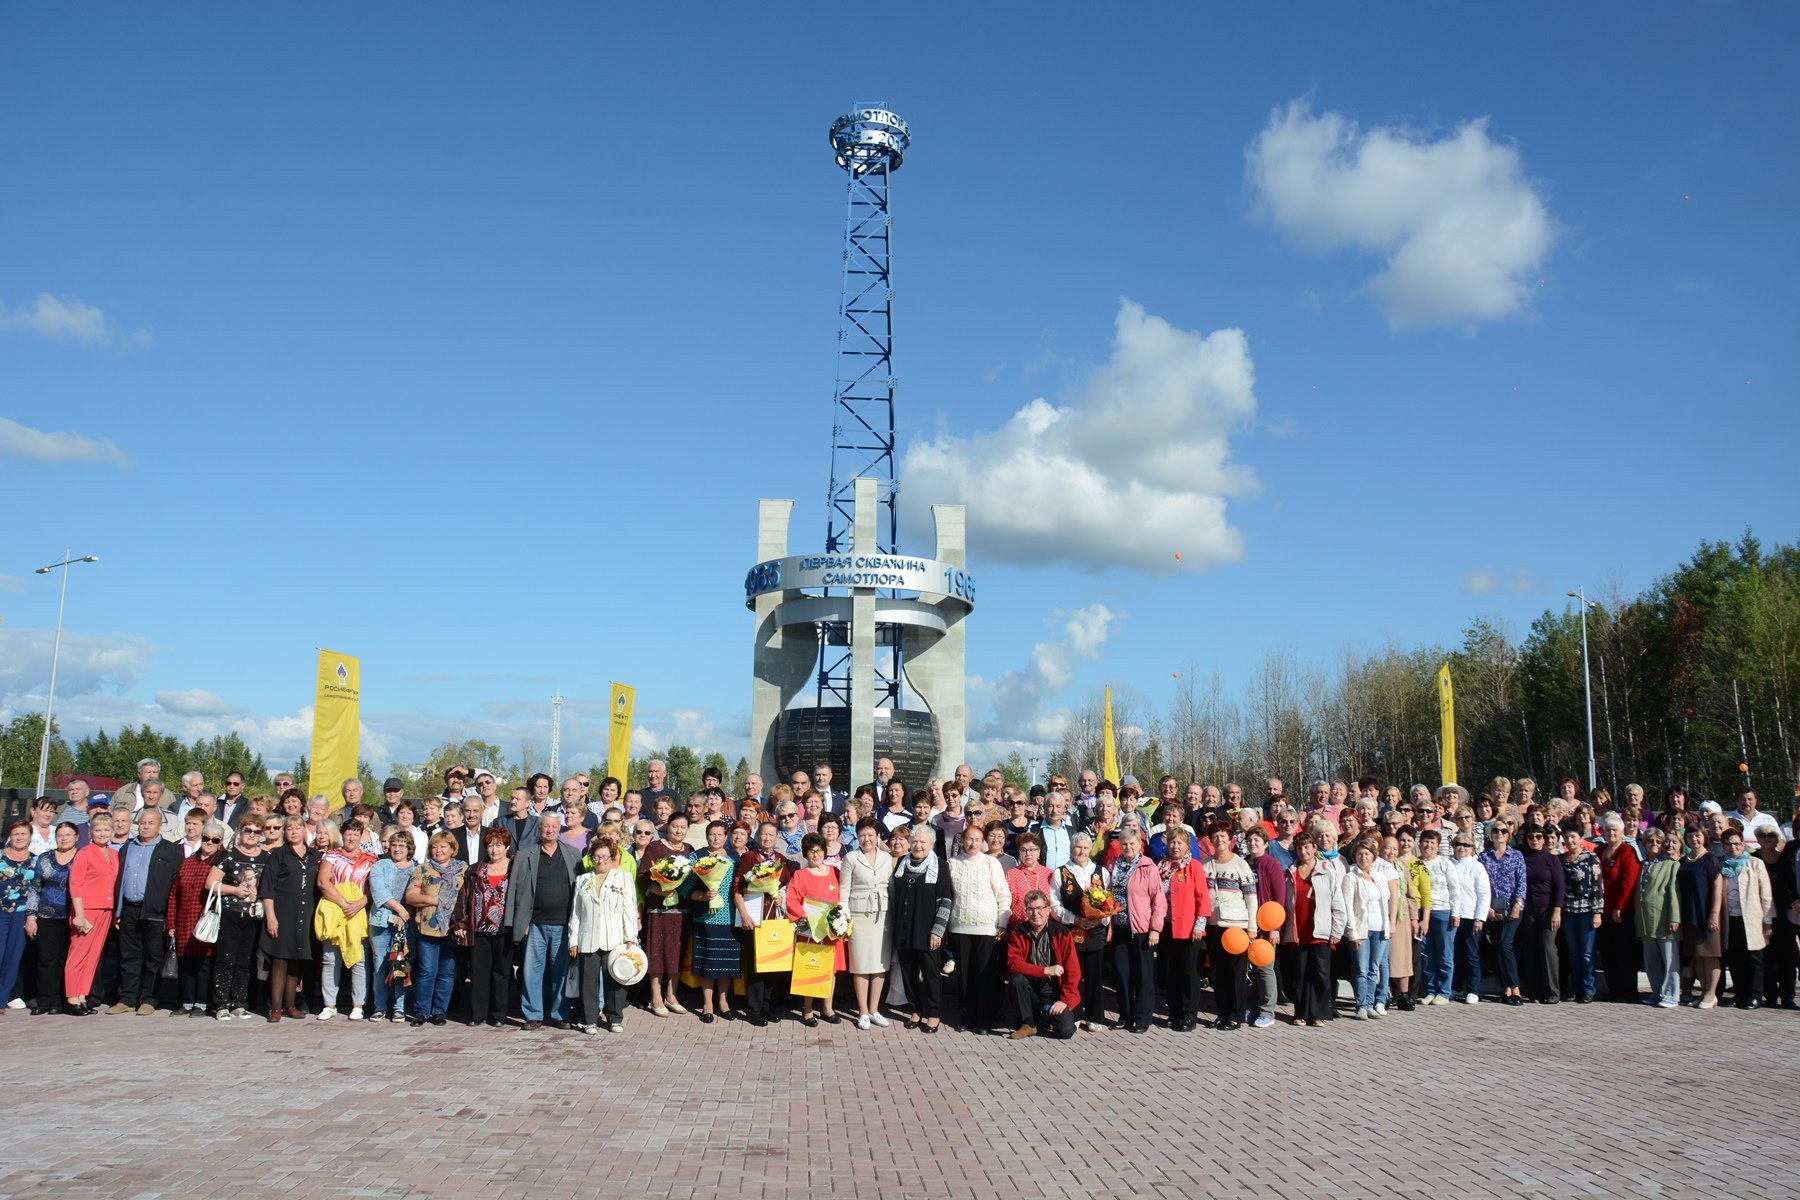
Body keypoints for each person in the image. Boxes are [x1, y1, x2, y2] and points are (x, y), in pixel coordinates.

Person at [504, 813, 582, 1031]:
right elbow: (514, 892)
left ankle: (560, 1014)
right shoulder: (524, 855)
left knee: (560, 972)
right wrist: (518, 923)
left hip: (563, 924)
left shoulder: (572, 854)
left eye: (554, 827)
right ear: (539, 829)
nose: (549, 830)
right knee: (531, 971)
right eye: (545, 826)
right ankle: (533, 1014)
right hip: (535, 923)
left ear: (559, 829)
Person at [110, 806, 183, 1015]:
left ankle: (148, 999)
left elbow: (174, 885)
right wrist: (118, 910)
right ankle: (126, 998)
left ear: (160, 826)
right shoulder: (127, 847)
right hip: (129, 910)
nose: (146, 826)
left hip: (154, 911)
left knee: (153, 957)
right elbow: (120, 880)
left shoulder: (170, 850)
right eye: (142, 822)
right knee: (128, 956)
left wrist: (170, 918)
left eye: (151, 823)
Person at [568, 834, 639, 1034]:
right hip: (588, 938)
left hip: (615, 939)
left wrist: (630, 938)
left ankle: (615, 1017)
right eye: (597, 856)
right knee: (588, 981)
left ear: (612, 857)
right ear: (592, 858)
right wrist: (573, 940)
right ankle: (589, 1019)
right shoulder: (582, 880)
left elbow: (628, 909)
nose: (601, 861)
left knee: (615, 980)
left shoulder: (623, 878)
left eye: (605, 856)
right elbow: (576, 913)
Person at [888, 825, 954, 1032]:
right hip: (904, 928)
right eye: (915, 841)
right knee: (908, 971)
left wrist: (938, 931)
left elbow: (945, 900)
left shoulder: (940, 866)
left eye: (922, 842)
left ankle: (933, 1013)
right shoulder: (902, 863)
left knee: (931, 973)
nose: (918, 845)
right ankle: (915, 1010)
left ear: (931, 845)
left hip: (927, 931)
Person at [258, 815, 321, 1022]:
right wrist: (271, 917)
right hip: (282, 913)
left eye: (298, 828)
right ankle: (275, 1007)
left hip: (306, 914)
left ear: (305, 831)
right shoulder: (278, 855)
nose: (294, 831)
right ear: (284, 832)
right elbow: (266, 887)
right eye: (290, 828)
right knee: (280, 960)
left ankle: (290, 1005)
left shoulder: (315, 856)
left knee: (297, 961)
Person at [205, 820, 266, 1020]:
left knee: (245, 961)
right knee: (226, 959)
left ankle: (239, 1002)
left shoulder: (266, 857)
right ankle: (221, 1003)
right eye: (248, 830)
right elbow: (210, 883)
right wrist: (234, 890)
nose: (252, 834)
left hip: (253, 916)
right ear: (240, 832)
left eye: (257, 831)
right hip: (230, 913)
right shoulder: (229, 855)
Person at [452, 828, 513, 1027]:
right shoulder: (475, 869)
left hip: (505, 929)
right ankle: (478, 1013)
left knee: (502, 972)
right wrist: (460, 923)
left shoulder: (514, 868)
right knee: (479, 972)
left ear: (507, 847)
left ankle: (499, 1014)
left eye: (498, 845)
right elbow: (464, 897)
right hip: (479, 928)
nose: (494, 850)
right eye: (490, 845)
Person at [1284, 833, 1347, 1027]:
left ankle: (1318, 1013)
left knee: (1321, 973)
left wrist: (1337, 930)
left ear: (1314, 848)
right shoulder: (1290, 872)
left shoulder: (1326, 871)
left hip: (1320, 931)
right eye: (1300, 848)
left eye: (1307, 847)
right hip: (1298, 932)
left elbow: (1337, 902)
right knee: (1300, 974)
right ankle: (1301, 1012)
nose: (1304, 851)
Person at [1107, 824, 1164, 1034]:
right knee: (1122, 973)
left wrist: (1155, 929)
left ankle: (1142, 1017)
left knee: (1142, 974)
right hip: (1119, 927)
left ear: (1140, 844)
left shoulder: (1148, 866)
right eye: (1124, 844)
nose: (1128, 847)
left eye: (1132, 843)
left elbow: (1158, 900)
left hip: (1141, 927)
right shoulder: (1114, 866)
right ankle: (1125, 1014)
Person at [840, 817, 896, 1030]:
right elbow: (844, 891)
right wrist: (843, 919)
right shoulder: (851, 858)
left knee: (880, 964)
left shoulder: (887, 857)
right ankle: (862, 1011)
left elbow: (891, 888)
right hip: (859, 915)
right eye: (862, 835)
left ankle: (874, 1009)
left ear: (878, 836)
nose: (866, 839)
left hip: (883, 916)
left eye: (870, 835)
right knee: (861, 964)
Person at [165, 819, 226, 1016]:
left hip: (206, 921)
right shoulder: (188, 862)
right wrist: (171, 923)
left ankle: (201, 1002)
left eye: (214, 840)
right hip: (184, 919)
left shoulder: (221, 862)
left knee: (204, 964)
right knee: (186, 963)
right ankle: (185, 1001)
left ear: (220, 842)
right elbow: (174, 894)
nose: (208, 843)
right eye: (206, 839)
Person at [730, 821, 788, 1028]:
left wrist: (782, 897)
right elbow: (737, 887)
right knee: (755, 966)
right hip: (754, 918)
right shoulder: (749, 857)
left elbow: (787, 885)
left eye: (771, 835)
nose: (767, 838)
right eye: (763, 834)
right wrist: (744, 915)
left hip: (774, 919)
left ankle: (768, 1006)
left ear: (776, 837)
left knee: (773, 964)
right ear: (757, 835)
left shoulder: (781, 860)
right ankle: (753, 1009)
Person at [786, 831, 844, 1026]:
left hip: (830, 931)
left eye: (819, 851)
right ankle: (808, 1010)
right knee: (809, 968)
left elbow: (841, 899)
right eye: (811, 851)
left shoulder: (835, 872)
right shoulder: (800, 875)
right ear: (805, 853)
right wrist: (807, 917)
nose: (815, 855)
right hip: (810, 930)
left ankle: (828, 1007)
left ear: (825, 851)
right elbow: (792, 900)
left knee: (830, 970)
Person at [683, 820, 740, 1022]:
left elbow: (738, 887)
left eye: (719, 834)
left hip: (729, 917)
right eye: (712, 834)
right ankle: (707, 1003)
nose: (716, 838)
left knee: (725, 963)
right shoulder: (697, 856)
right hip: (705, 917)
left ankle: (723, 1002)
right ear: (706, 836)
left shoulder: (734, 856)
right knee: (708, 961)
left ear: (726, 837)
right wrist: (703, 896)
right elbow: (686, 888)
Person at [1004, 889, 1080, 1039]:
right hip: (1030, 989)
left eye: (1039, 908)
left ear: (1048, 910)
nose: (1035, 913)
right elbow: (1013, 963)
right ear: (1026, 912)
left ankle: (1047, 1016)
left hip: (1054, 991)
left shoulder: (1061, 932)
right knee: (1016, 978)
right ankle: (1029, 1023)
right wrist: (1045, 970)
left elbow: (1073, 971)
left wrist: (1064, 1001)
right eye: (1030, 909)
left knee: (1065, 1031)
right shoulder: (1019, 932)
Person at [638, 813, 693, 1017]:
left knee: (676, 953)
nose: (678, 831)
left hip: (681, 910)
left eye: (682, 827)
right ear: (667, 827)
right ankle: (655, 997)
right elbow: (643, 876)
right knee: (657, 952)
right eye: (674, 826)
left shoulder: (689, 850)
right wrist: (657, 889)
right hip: (658, 910)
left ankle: (671, 995)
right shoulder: (655, 848)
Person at [1159, 828, 1212, 1031]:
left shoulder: (1194, 867)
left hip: (1189, 928)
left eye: (1180, 843)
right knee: (1172, 972)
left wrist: (1200, 924)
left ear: (1187, 846)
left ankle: (1189, 1014)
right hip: (1167, 927)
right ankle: (1174, 1012)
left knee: (1189, 973)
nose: (1175, 846)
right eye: (1172, 842)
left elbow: (1202, 897)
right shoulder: (1162, 866)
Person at [25, 821, 81, 1015]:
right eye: (60, 835)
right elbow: (34, 888)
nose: (64, 838)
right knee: (46, 959)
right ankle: (44, 1000)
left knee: (64, 960)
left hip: (73, 917)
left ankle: (59, 1000)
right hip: (47, 915)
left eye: (68, 835)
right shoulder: (44, 858)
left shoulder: (82, 857)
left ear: (77, 837)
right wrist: (31, 916)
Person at [1057, 831, 1108, 1031]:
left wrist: (1100, 919)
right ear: (1071, 849)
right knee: (1073, 974)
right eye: (1078, 847)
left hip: (1096, 932)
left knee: (1095, 975)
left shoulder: (1101, 872)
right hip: (1072, 931)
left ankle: (1095, 1016)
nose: (1082, 851)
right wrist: (1074, 919)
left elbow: (1109, 901)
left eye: (1086, 847)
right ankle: (1075, 1013)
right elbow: (1055, 904)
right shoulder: (1060, 872)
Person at [1718, 827, 1773, 1009]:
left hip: (1751, 918)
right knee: (1734, 958)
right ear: (1723, 846)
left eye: (1736, 843)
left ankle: (1755, 995)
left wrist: (1767, 920)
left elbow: (1766, 894)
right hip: (1729, 918)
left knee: (1754, 958)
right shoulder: (1720, 864)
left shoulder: (1755, 863)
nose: (1732, 847)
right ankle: (1740, 994)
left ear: (1743, 844)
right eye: (1728, 844)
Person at [1476, 819, 1526, 1007]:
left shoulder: (1517, 856)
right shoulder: (1483, 857)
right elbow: (1481, 885)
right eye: (1495, 830)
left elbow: (1522, 881)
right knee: (1499, 947)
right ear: (1490, 834)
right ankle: (1506, 988)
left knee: (1507, 945)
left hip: (1513, 907)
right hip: (1491, 908)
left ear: (1509, 834)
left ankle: (1515, 987)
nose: (1499, 834)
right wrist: (1486, 908)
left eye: (1503, 831)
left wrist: (1518, 903)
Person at [1343, 840, 1393, 1021]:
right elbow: (1348, 906)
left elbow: (1386, 901)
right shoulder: (1351, 877)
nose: (1363, 858)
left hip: (1380, 929)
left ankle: (1370, 1004)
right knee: (1361, 969)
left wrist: (1388, 927)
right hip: (1362, 930)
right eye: (1360, 854)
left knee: (1374, 969)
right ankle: (1361, 1005)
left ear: (1373, 856)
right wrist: (1352, 932)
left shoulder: (1379, 876)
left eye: (1367, 854)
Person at [1517, 825, 1566, 1004]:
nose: (1535, 840)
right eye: (1531, 837)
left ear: (1544, 839)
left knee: (1547, 948)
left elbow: (1560, 887)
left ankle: (1552, 992)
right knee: (1530, 949)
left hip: (1548, 910)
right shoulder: (1522, 858)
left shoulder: (1551, 859)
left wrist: (1557, 911)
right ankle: (1534, 992)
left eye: (1539, 836)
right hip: (1528, 910)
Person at [1597, 813, 1643, 1002]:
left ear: (1622, 832)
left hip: (1621, 911)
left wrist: (1619, 907)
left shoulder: (1628, 852)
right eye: (1608, 830)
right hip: (1602, 911)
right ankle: (1613, 989)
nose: (1611, 834)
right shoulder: (1599, 851)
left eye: (1615, 830)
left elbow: (1628, 882)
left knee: (1624, 952)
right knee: (1608, 952)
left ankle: (1628, 991)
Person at [1635, 826, 1683, 1008]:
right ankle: (1657, 991)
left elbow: (1673, 892)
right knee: (1651, 959)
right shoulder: (1644, 863)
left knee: (1670, 959)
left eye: (1658, 841)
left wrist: (1674, 917)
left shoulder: (1671, 864)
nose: (1653, 844)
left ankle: (1671, 994)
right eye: (1650, 841)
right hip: (1645, 920)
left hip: (1664, 919)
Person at [0, 821, 43, 1014]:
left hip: (21, 915)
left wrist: (31, 918)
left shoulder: (36, 861)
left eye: (23, 834)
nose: (19, 837)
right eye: (15, 833)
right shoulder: (0, 856)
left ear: (30, 836)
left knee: (13, 958)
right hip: (0, 913)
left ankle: (1, 1000)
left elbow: (36, 890)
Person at [1559, 824, 1604, 1004]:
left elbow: (1598, 886)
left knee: (1586, 953)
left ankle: (1588, 989)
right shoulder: (1561, 859)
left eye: (1573, 837)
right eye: (1567, 837)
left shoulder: (1590, 858)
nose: (1570, 841)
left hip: (1587, 911)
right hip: (1568, 911)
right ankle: (1576, 988)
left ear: (1580, 838)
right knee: (1573, 952)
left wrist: (1597, 912)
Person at [1449, 833, 1491, 1004]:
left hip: (1471, 915)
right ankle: (1456, 987)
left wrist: (1480, 918)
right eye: (1458, 844)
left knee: (1471, 955)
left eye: (1466, 845)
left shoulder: (1477, 867)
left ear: (1472, 848)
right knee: (1455, 954)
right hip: (1453, 915)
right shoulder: (1449, 864)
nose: (1462, 848)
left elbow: (1484, 894)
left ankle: (1473, 989)